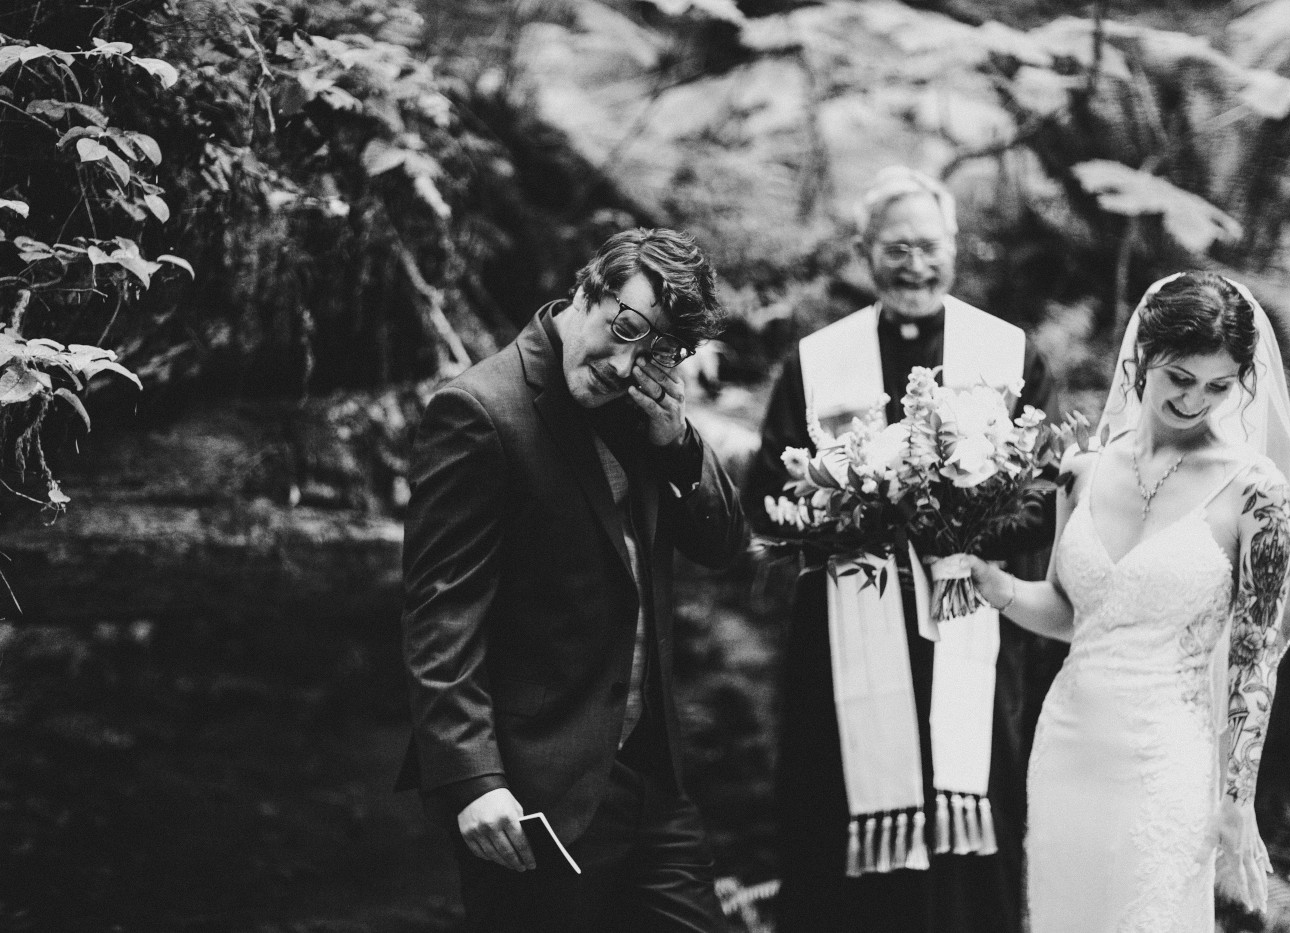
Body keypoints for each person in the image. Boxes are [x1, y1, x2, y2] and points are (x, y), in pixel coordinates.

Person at [396, 228, 747, 933]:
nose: (624, 364)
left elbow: (723, 544)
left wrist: (678, 442)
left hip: (651, 781)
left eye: (652, 352)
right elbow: (441, 612)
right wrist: (472, 779)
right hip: (534, 793)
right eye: (623, 329)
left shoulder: (644, 410)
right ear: (588, 289)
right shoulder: (477, 412)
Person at [744, 166, 1064, 933]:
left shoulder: (1010, 355)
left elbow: (1046, 490)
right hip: (847, 638)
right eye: (896, 248)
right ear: (865, 251)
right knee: (839, 813)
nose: (914, 264)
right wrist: (858, 505)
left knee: (975, 818)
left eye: (928, 245)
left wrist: (958, 518)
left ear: (954, 245)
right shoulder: (817, 363)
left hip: (973, 629)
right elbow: (769, 498)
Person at [968, 271, 1290, 932]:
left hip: (1165, 765)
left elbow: (1255, 656)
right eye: (1180, 377)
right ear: (1142, 357)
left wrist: (1237, 800)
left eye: (1217, 385)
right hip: (1066, 750)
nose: (1194, 400)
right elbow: (1074, 615)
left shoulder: (1255, 491)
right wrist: (996, 586)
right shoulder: (1083, 470)